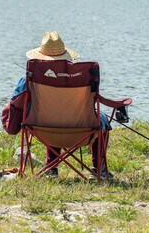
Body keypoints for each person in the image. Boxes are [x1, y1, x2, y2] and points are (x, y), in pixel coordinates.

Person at [12, 30, 111, 180]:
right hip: (83, 131)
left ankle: (51, 168)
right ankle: (99, 170)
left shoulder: (30, 78)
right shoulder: (82, 76)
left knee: (50, 114)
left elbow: (16, 102)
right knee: (102, 120)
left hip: (42, 130)